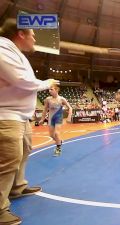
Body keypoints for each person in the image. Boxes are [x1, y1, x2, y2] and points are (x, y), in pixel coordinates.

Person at [0, 18, 59, 225]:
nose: (35, 37)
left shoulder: (15, 52)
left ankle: (17, 187)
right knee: (8, 160)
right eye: (32, 33)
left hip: (20, 116)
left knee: (23, 151)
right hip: (6, 116)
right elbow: (21, 81)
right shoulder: (2, 48)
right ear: (21, 34)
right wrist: (47, 83)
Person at [39, 85, 73, 157]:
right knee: (51, 135)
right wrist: (42, 119)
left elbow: (70, 108)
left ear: (56, 90)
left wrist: (69, 117)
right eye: (49, 89)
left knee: (57, 133)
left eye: (51, 89)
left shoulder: (62, 99)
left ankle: (58, 148)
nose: (49, 91)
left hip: (58, 117)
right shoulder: (48, 99)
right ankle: (59, 142)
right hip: (51, 118)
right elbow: (45, 109)